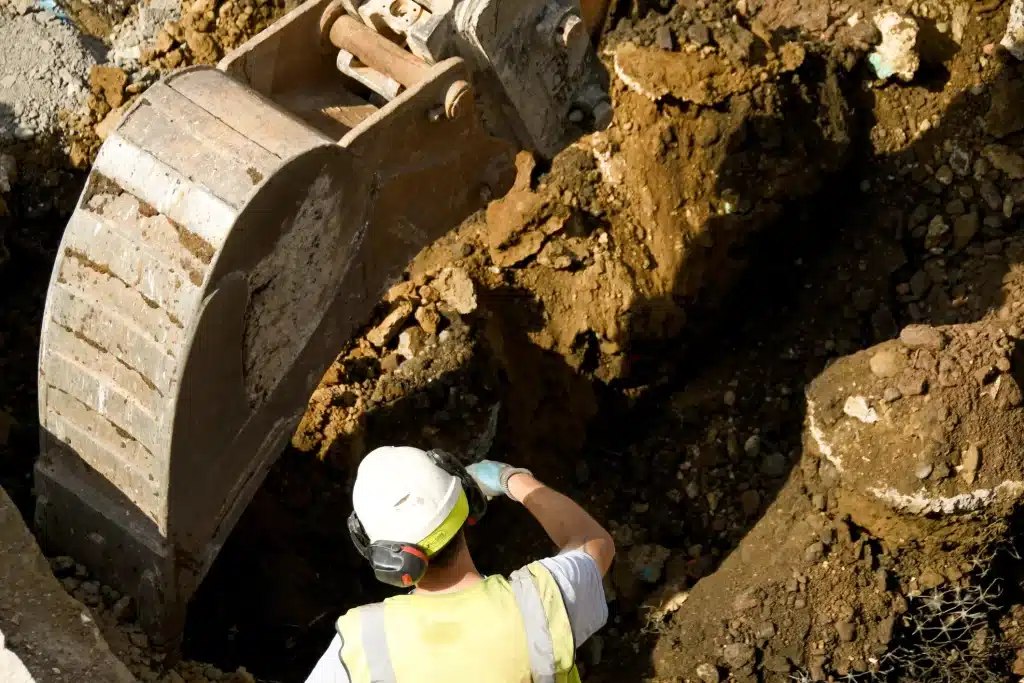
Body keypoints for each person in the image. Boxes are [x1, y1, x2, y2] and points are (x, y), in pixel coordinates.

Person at [303, 445, 615, 683]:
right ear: (466, 497)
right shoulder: (540, 601)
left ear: (382, 557)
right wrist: (510, 479)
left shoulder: (360, 642)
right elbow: (592, 541)